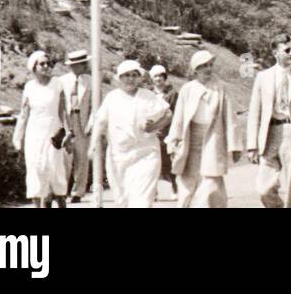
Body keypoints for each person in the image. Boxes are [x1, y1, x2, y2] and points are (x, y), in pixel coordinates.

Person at [245, 34, 291, 208]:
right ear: (275, 52)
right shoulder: (263, 77)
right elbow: (255, 112)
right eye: (287, 50)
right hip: (270, 134)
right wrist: (252, 145)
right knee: (264, 188)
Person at [89, 60, 172, 208]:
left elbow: (168, 114)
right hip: (119, 157)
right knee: (123, 201)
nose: (130, 78)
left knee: (142, 201)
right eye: (126, 75)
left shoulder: (147, 96)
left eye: (134, 75)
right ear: (119, 78)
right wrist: (93, 144)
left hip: (146, 155)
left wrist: (153, 126)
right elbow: (100, 122)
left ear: (140, 78)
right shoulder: (112, 98)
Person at [165, 50, 239, 208]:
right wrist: (173, 141)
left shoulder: (221, 89)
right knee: (188, 182)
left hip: (214, 138)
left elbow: (230, 118)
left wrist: (234, 145)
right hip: (191, 141)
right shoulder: (187, 89)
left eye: (210, 65)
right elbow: (179, 118)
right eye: (204, 65)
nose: (208, 69)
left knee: (211, 182)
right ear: (195, 69)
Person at [13, 50, 71, 208]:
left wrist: (68, 131)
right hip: (34, 133)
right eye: (42, 64)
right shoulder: (29, 87)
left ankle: (61, 204)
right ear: (34, 67)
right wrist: (18, 138)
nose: (46, 66)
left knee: (55, 170)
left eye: (48, 63)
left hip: (53, 132)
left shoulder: (57, 83)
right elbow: (24, 113)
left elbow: (63, 110)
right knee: (36, 170)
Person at [57, 49, 92, 203]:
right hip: (68, 119)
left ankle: (78, 192)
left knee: (82, 157)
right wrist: (64, 126)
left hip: (83, 120)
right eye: (74, 65)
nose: (77, 67)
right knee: (65, 156)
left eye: (80, 64)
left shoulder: (91, 81)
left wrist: (90, 125)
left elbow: (95, 105)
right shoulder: (62, 81)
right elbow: (61, 105)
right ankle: (61, 190)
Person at [148, 64, 178, 199]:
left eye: (161, 75)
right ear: (151, 78)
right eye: (155, 76)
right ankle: (153, 192)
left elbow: (176, 113)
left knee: (170, 162)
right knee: (151, 163)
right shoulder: (148, 94)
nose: (158, 78)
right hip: (152, 133)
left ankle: (175, 189)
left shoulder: (172, 93)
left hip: (168, 132)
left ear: (164, 77)